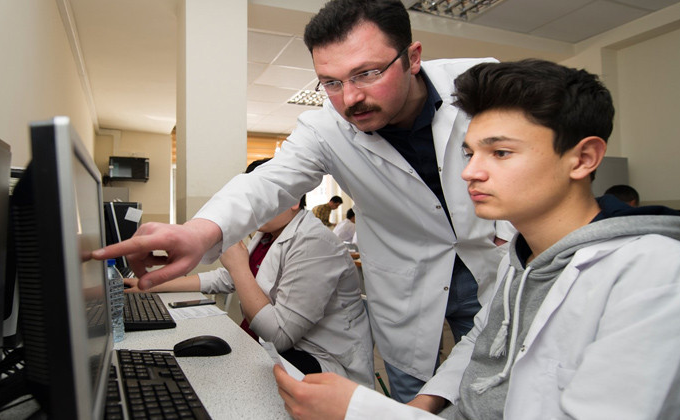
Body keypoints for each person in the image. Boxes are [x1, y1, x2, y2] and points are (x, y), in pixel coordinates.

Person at [93, 0, 512, 401]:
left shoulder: (482, 83)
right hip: (406, 284)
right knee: (412, 398)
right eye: (331, 82)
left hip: (489, 266)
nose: (350, 98)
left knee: (498, 388)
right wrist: (198, 232)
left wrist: (511, 231)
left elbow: (534, 155)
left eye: (366, 73)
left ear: (413, 57)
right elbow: (266, 182)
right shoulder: (324, 128)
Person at [273, 59, 680, 419]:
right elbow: (482, 343)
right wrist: (419, 406)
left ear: (583, 158)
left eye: (500, 152)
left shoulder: (655, 274)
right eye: (470, 153)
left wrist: (364, 412)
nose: (470, 172)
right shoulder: (524, 258)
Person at [128, 158, 374, 387]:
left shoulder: (314, 242)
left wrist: (238, 266)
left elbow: (279, 336)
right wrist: (151, 284)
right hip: (275, 346)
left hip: (319, 360)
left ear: (292, 199)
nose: (253, 208)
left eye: (262, 197)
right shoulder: (267, 234)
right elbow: (225, 278)